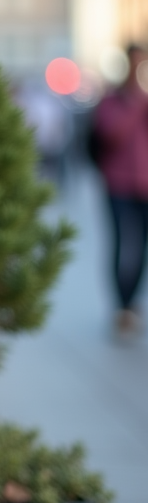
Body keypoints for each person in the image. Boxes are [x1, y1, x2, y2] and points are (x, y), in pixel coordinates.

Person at [93, 44, 148, 335]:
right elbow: (112, 135)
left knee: (142, 247)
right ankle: (120, 305)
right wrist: (136, 104)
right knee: (120, 243)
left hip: (145, 185)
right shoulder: (111, 101)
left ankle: (131, 303)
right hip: (117, 184)